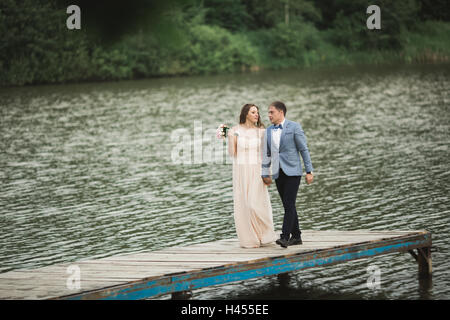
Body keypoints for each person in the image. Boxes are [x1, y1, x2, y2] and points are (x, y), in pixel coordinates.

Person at [261, 101, 314, 248]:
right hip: (278, 173)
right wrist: (265, 173)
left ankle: (285, 237)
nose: (269, 115)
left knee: (289, 204)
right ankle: (297, 236)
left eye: (272, 112)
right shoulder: (269, 131)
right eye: (268, 112)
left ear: (281, 112)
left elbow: (304, 149)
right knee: (288, 205)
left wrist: (309, 171)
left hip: (293, 172)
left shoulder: (294, 127)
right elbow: (266, 154)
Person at [228, 104, 277, 248]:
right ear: (246, 114)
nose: (257, 114)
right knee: (244, 204)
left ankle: (265, 234)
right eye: (253, 112)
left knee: (255, 204)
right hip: (241, 170)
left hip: (257, 169)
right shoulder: (235, 130)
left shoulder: (261, 131)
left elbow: (267, 154)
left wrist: (268, 171)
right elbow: (232, 153)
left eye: (257, 112)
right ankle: (251, 238)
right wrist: (230, 137)